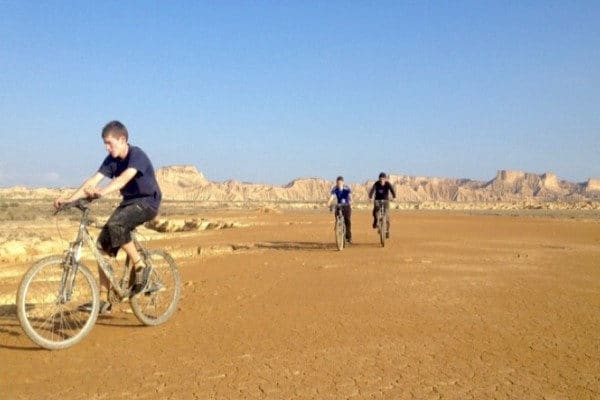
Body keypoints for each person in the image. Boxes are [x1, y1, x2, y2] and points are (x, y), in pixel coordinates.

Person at [54, 120, 162, 313]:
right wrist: (69, 200)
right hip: (129, 203)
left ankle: (140, 264)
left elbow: (122, 180)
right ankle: (104, 300)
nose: (106, 147)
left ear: (122, 139)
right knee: (102, 246)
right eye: (104, 143)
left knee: (117, 225)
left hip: (147, 202)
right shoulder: (111, 161)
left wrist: (101, 192)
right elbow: (93, 180)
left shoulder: (137, 156)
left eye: (109, 143)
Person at [368, 172, 396, 238]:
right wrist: (370, 197)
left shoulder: (388, 184)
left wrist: (394, 197)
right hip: (377, 200)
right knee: (375, 211)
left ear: (385, 179)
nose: (382, 180)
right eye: (380, 179)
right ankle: (375, 221)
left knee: (387, 216)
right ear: (379, 179)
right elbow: (372, 190)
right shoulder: (376, 184)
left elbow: (392, 190)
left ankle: (387, 230)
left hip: (386, 200)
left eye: (383, 179)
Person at [327, 176, 352, 244]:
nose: (339, 184)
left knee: (347, 221)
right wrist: (329, 203)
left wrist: (350, 200)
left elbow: (350, 196)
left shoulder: (346, 188)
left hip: (346, 206)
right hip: (339, 205)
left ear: (343, 182)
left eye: (340, 183)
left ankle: (349, 237)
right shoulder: (335, 188)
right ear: (336, 183)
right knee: (337, 216)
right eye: (338, 183)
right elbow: (332, 196)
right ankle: (338, 225)